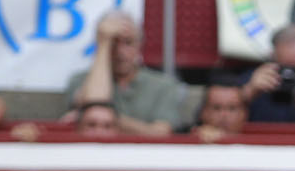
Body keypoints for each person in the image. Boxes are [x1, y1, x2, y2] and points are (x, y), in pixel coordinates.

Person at [64, 9, 196, 137]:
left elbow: (161, 134)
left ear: (140, 45)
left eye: (128, 43)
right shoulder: (81, 81)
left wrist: (111, 119)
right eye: (113, 43)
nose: (120, 52)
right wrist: (104, 42)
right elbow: (95, 101)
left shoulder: (163, 86)